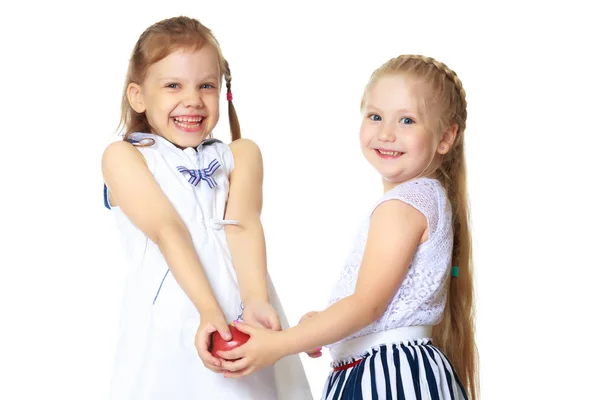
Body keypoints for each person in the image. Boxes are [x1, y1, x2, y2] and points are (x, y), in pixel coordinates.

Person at [218, 54, 479, 399]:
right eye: (375, 116)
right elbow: (377, 305)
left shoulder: (402, 206)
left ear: (445, 137)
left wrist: (279, 345)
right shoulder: (425, 198)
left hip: (386, 377)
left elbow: (365, 305)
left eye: (407, 120)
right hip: (385, 370)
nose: (386, 133)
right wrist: (327, 326)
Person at [101, 16, 312, 400]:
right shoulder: (125, 157)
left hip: (240, 309)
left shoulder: (241, 155)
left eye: (206, 86)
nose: (193, 99)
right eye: (172, 86)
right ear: (138, 96)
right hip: (175, 315)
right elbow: (168, 229)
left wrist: (256, 301)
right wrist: (209, 313)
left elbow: (242, 225)